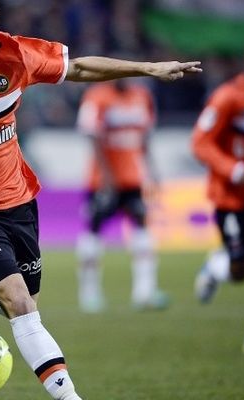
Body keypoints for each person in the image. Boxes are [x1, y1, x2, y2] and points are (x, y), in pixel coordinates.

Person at [0, 1, 201, 399]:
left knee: (17, 305)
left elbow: (80, 68)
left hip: (19, 203)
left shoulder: (14, 54)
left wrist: (149, 68)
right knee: (19, 301)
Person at [192, 29, 244, 359]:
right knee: (241, 271)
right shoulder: (229, 97)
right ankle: (216, 267)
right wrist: (237, 170)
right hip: (233, 199)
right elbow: (200, 143)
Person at [74, 79, 169, 313]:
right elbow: (91, 134)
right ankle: (90, 294)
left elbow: (145, 137)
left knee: (142, 226)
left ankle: (144, 292)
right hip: (102, 181)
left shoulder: (142, 96)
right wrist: (106, 175)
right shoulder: (96, 96)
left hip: (133, 178)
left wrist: (153, 171)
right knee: (94, 230)